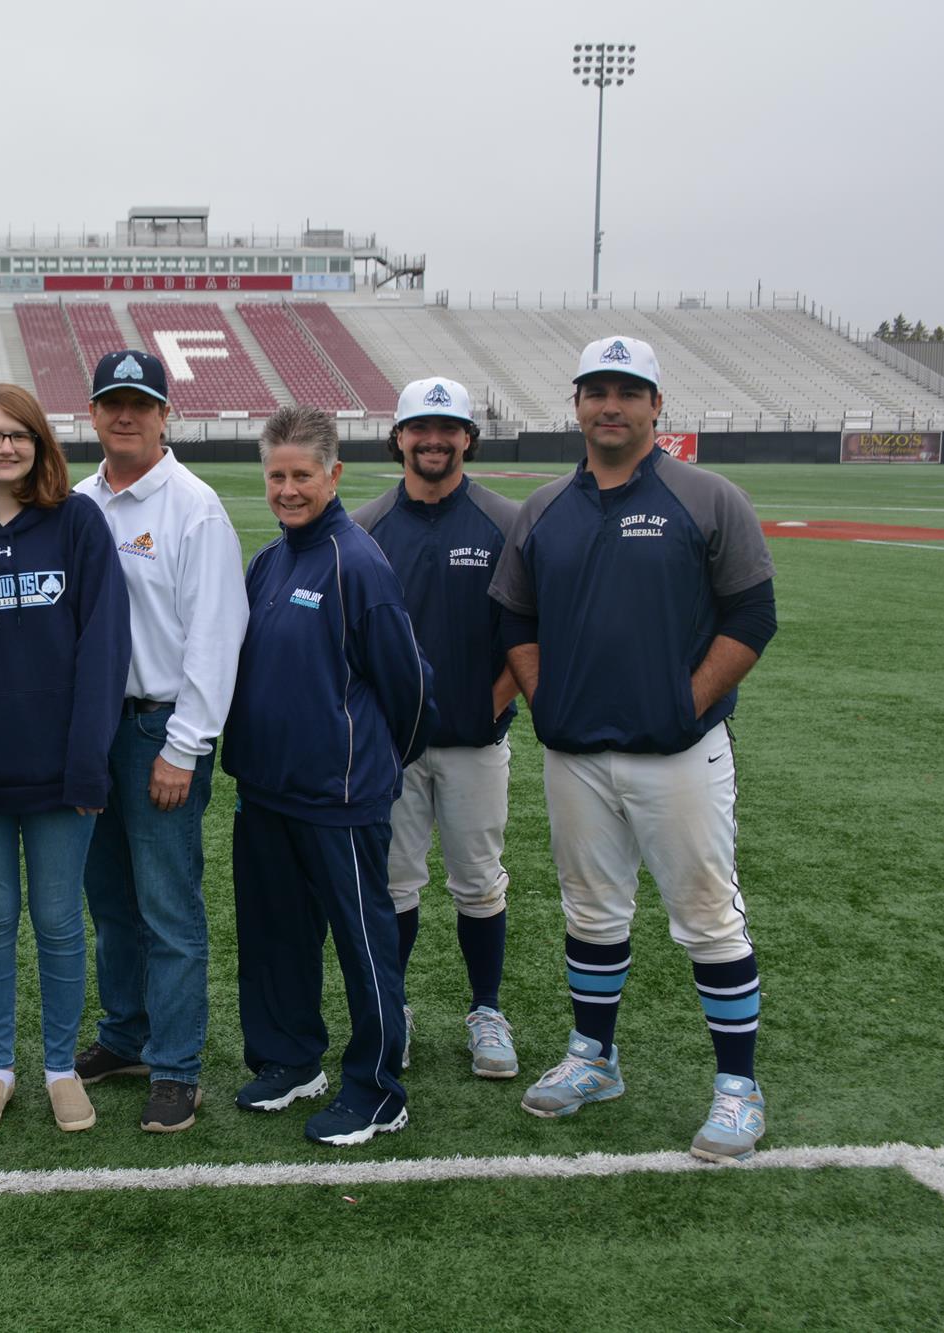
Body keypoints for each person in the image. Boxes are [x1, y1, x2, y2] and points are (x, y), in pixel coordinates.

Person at [489, 336, 777, 1163]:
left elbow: (751, 617)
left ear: (657, 406)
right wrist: (550, 696)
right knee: (591, 911)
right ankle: (594, 1056)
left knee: (708, 916)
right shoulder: (545, 508)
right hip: (577, 753)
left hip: (681, 754)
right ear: (576, 404)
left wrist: (680, 703)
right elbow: (515, 619)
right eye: (596, 390)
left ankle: (737, 1088)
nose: (610, 405)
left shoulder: (707, 496)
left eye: (628, 391)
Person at [223, 406, 435, 1145]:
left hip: (340, 801)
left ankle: (377, 1088)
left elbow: (409, 689)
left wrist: (367, 770)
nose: (287, 488)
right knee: (275, 939)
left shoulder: (358, 561)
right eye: (276, 475)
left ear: (333, 474)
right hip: (267, 795)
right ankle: (290, 1058)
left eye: (302, 475)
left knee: (362, 943)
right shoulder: (269, 561)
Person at [70, 350, 248, 1134]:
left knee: (168, 905)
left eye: (140, 403)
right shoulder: (77, 501)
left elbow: (218, 635)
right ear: (94, 411)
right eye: (113, 402)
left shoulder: (193, 505)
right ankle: (127, 1035)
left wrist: (185, 744)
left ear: (165, 414)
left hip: (156, 728)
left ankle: (176, 1065)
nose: (126, 416)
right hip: (92, 727)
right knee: (110, 900)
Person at [0, 383, 129, 1135]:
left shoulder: (78, 522)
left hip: (60, 772)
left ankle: (58, 1067)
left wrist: (89, 762)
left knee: (57, 920)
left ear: (40, 443)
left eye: (19, 433)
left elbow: (104, 647)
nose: (5, 446)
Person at [350, 377, 522, 1079]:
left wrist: (493, 702)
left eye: (447, 429)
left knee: (479, 881)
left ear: (467, 440)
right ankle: (395, 1008)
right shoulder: (364, 526)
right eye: (420, 428)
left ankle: (486, 1009)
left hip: (476, 742)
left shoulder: (506, 522)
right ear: (398, 437)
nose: (433, 440)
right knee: (394, 884)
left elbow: (528, 630)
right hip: (393, 744)